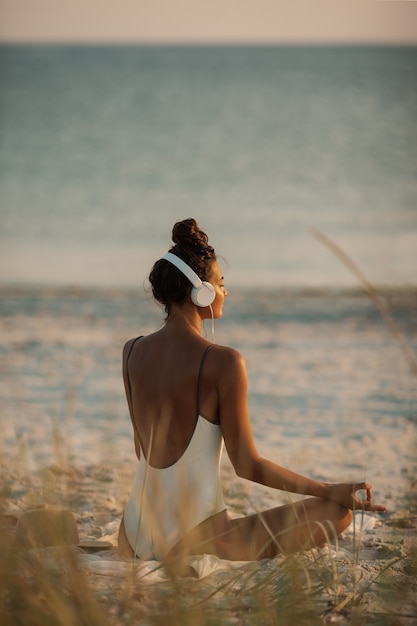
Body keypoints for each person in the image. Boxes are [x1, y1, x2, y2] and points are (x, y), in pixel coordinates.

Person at [118, 218, 386, 562]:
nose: (225, 291)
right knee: (337, 513)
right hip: (195, 540)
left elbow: (142, 451)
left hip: (134, 532)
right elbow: (247, 466)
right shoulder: (224, 362)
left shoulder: (131, 350)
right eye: (221, 282)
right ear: (201, 291)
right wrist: (328, 490)